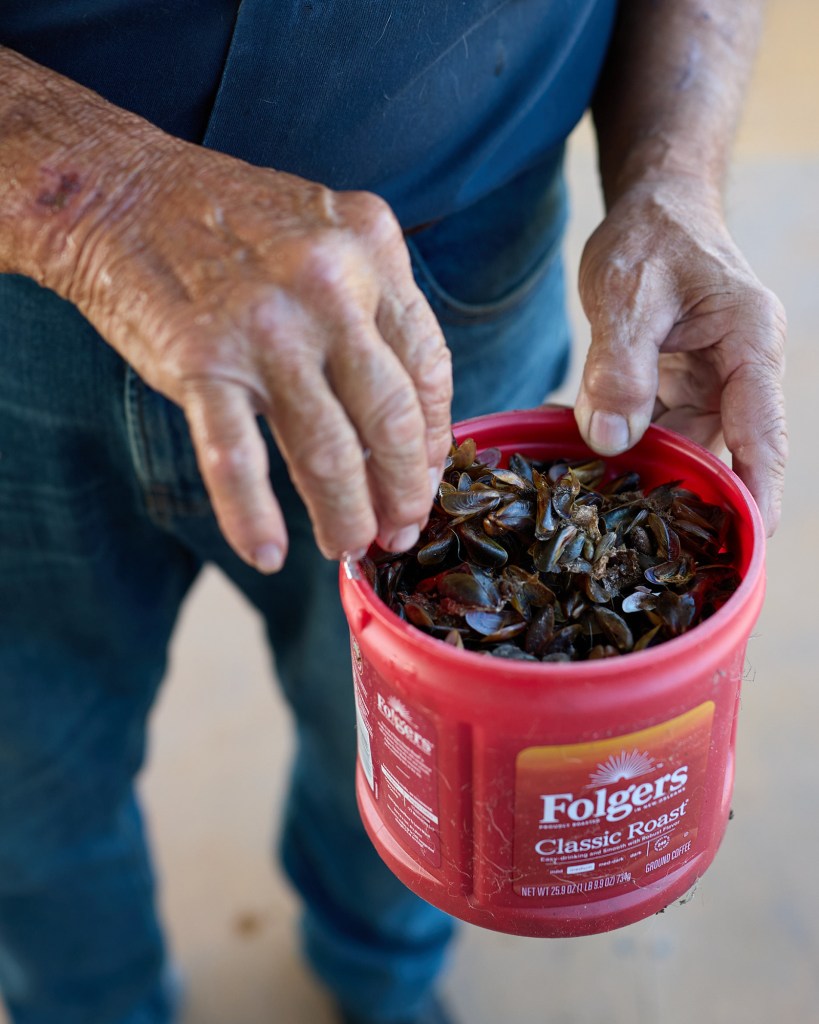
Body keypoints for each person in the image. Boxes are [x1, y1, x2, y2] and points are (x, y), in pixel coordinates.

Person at [0, 2, 786, 1023]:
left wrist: (674, 170)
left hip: (439, 276)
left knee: (421, 750)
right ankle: (84, 1002)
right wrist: (98, 196)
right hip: (18, 279)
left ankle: (381, 975)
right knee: (29, 771)